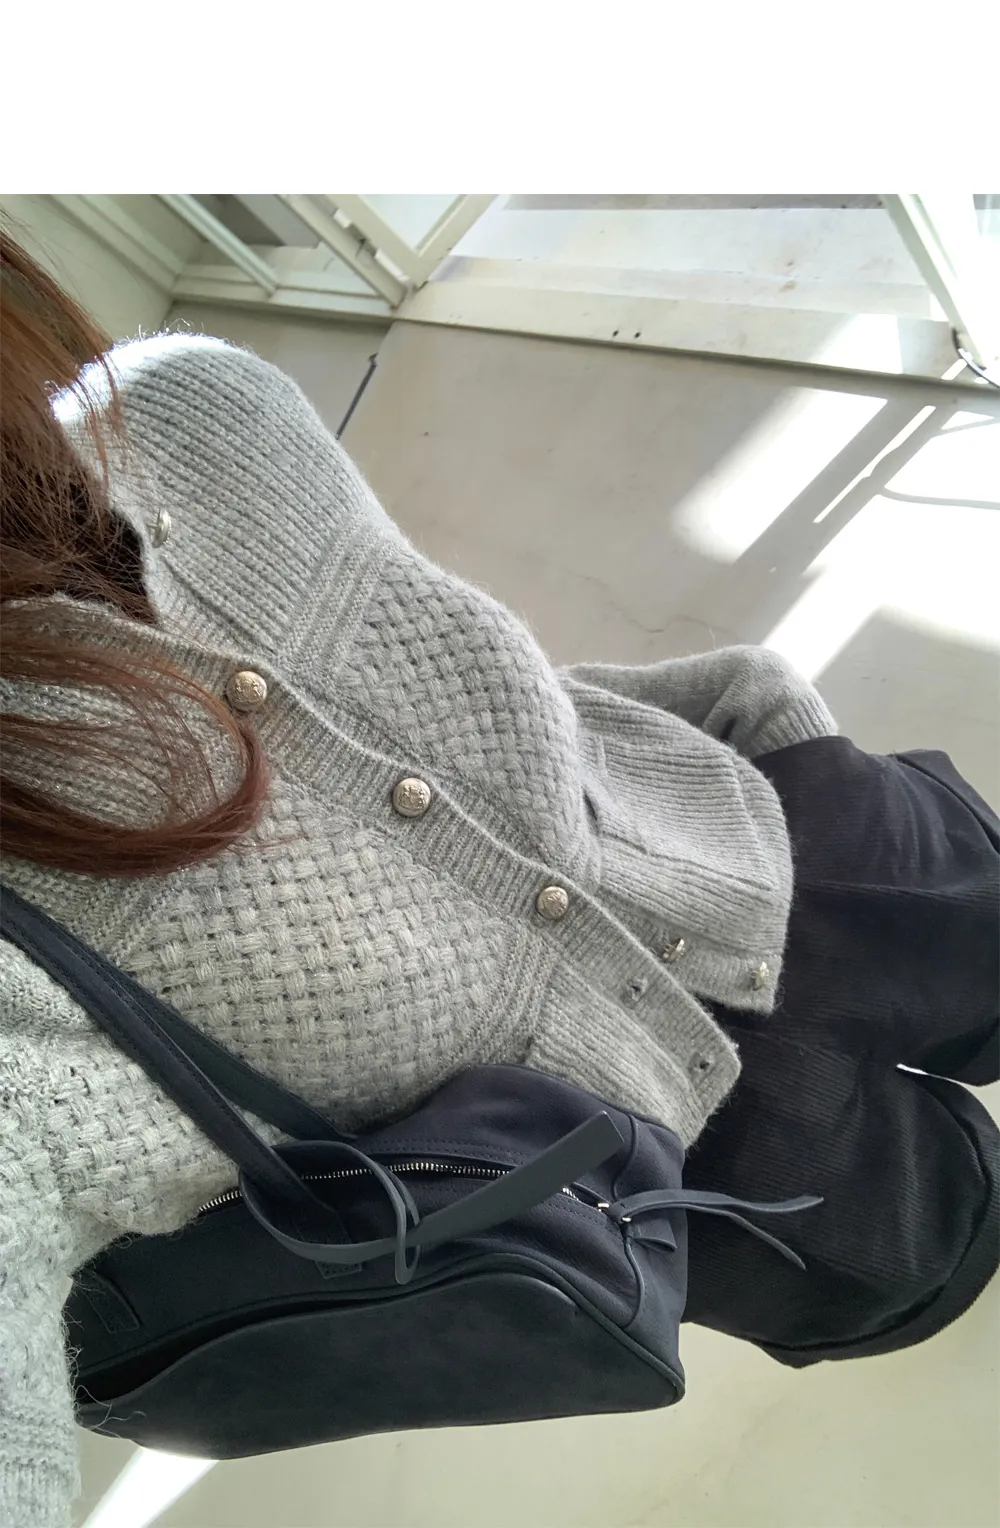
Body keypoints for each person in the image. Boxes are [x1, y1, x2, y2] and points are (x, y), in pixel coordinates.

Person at [1, 229, 996, 1528]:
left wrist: (759, 719)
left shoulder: (190, 400)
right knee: (943, 1253)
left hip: (796, 848)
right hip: (677, 1168)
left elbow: (454, 679)